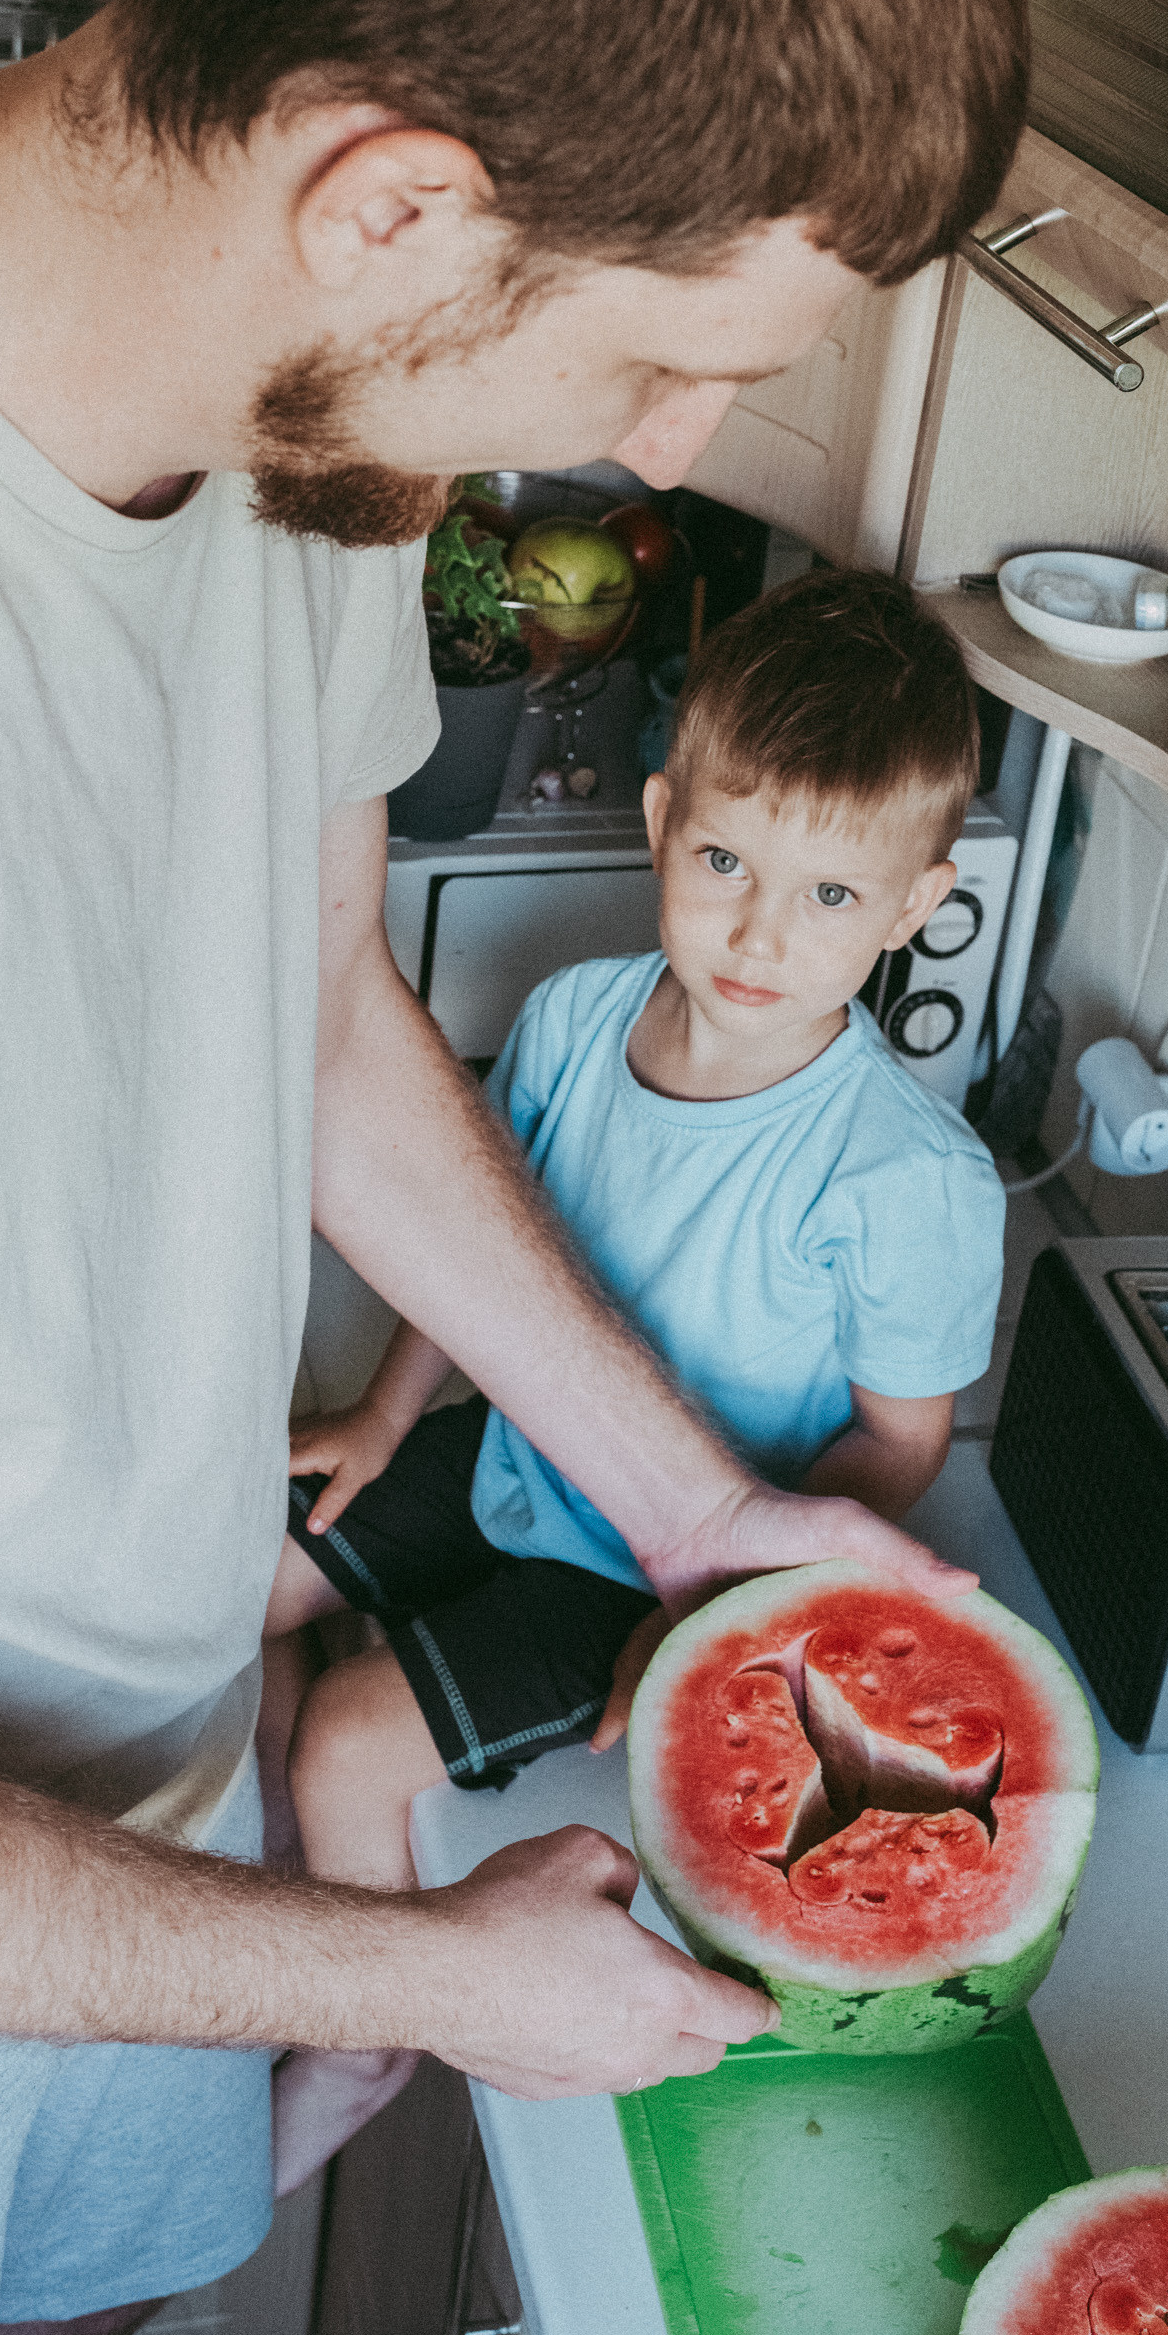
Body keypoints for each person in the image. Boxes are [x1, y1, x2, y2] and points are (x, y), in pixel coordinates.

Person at [0, 0, 1025, 2335]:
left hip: (142, 1811)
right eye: (661, 360)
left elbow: (315, 1018)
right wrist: (436, 1978)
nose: (667, 450)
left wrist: (698, 1506)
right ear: (393, 206)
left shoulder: (307, 425)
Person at [269, 569, 1005, 2187]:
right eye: (728, 862)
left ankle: (359, 2041)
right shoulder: (570, 1020)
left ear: (915, 907)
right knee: (231, 1587)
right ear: (664, 821)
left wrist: (723, 1621)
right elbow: (471, 1248)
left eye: (831, 894)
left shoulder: (910, 1176)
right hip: (508, 1450)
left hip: (635, 1576)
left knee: (344, 1741)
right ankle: (262, 1922)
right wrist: (385, 1419)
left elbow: (902, 1445)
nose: (759, 933)